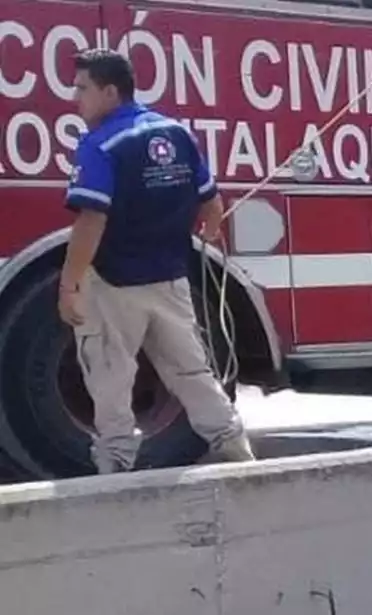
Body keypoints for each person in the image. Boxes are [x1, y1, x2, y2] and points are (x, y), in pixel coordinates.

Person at [60, 48, 254, 474]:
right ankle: (232, 446)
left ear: (110, 92)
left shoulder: (100, 144)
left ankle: (115, 463)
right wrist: (210, 230)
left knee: (111, 376)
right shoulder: (175, 133)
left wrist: (70, 285)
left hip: (113, 287)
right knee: (190, 370)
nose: (76, 98)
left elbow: (92, 219)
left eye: (82, 88)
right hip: (170, 281)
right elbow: (211, 202)